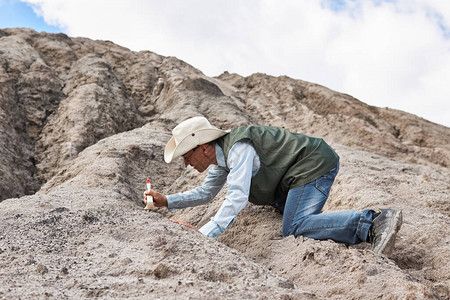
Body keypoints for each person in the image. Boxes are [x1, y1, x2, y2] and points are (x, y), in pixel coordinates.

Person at [144, 116, 403, 255]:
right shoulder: (221, 158)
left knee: (294, 227)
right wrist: (167, 201)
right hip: (293, 176)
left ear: (202, 148)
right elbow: (206, 192)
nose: (187, 164)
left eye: (187, 157)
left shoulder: (238, 149)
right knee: (285, 213)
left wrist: (202, 236)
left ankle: (370, 222)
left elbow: (235, 198)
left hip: (312, 165)